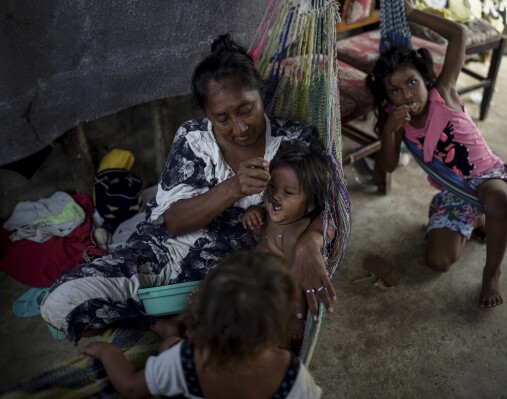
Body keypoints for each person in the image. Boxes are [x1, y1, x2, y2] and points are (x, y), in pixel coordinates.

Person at [40, 33, 336, 343]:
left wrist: (308, 244)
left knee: (264, 330)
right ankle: (169, 318)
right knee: (61, 301)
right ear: (207, 115)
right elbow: (174, 222)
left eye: (246, 109)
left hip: (236, 278)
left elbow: (328, 206)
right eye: (222, 118)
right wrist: (233, 187)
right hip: (164, 257)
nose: (239, 127)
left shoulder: (294, 143)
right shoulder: (194, 139)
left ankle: (171, 322)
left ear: (262, 93)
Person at [365, 2, 507, 308]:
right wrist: (388, 133)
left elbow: (458, 34)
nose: (407, 95)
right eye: (395, 91)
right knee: (437, 262)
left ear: (425, 78)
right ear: (387, 97)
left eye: (411, 83)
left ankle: (492, 272)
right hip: (455, 193)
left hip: (490, 178)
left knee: (498, 200)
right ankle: (476, 219)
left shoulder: (445, 92)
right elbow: (387, 166)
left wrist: (413, 16)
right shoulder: (396, 120)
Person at [80, 252, 323, 399]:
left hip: (186, 358)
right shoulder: (289, 372)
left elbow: (132, 389)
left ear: (207, 318)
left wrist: (107, 352)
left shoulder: (186, 360)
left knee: (169, 345)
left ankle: (173, 333)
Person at [242, 140, 330, 340]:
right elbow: (263, 235)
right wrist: (253, 214)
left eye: (288, 193)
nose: (275, 197)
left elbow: (296, 278)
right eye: (272, 187)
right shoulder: (276, 215)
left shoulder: (293, 233)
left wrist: (296, 318)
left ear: (310, 205)